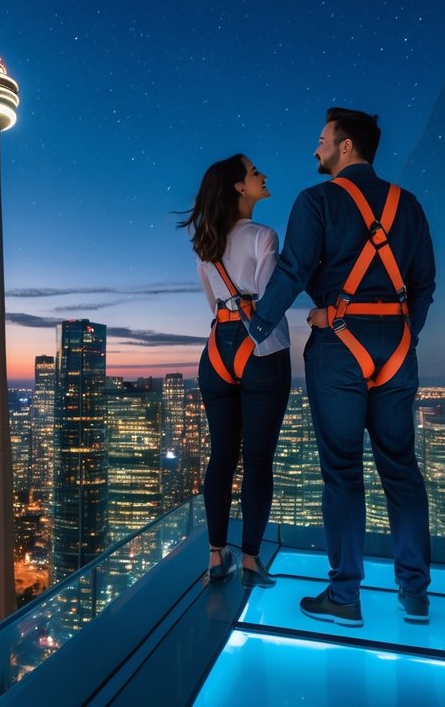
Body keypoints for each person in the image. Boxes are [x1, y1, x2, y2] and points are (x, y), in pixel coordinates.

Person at [246, 107, 436, 626]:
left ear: (345, 146)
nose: (316, 149)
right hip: (395, 349)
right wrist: (406, 334)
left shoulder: (318, 201)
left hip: (338, 347)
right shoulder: (409, 205)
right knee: (400, 467)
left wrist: (258, 326)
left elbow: (293, 270)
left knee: (343, 471)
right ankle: (415, 593)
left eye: (322, 140)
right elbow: (424, 283)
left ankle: (346, 597)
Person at [180, 154, 291, 585]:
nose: (263, 175)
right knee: (258, 460)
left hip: (218, 351)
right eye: (254, 172)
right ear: (239, 188)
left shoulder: (205, 247)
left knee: (222, 455)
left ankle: (215, 556)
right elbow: (269, 298)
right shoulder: (264, 236)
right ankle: (249, 561)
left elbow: (214, 305)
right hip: (260, 350)